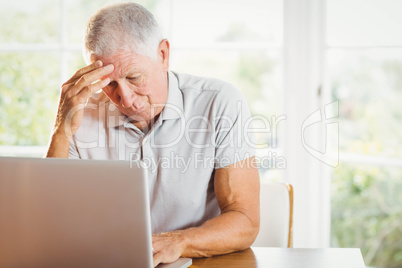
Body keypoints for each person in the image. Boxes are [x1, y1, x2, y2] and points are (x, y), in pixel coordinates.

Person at [46, 2, 260, 267]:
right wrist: (61, 129)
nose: (124, 98)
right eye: (108, 83)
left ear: (162, 55)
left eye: (134, 77)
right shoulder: (79, 114)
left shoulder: (220, 103)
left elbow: (245, 220)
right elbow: (50, 220)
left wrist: (179, 242)